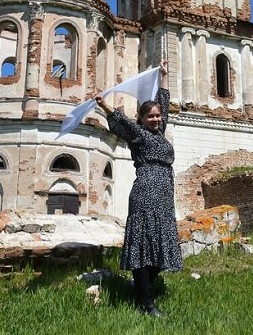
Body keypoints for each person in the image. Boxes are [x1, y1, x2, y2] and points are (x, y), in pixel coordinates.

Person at [95, 59, 181, 317]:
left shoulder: (160, 131)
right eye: (150, 116)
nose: (155, 119)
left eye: (157, 116)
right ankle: (146, 304)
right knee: (144, 245)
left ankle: (139, 287)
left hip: (164, 195)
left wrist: (164, 75)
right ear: (142, 119)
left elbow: (163, 100)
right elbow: (120, 121)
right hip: (146, 192)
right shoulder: (138, 134)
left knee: (162, 244)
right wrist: (104, 105)